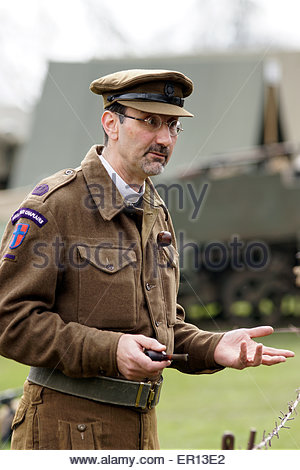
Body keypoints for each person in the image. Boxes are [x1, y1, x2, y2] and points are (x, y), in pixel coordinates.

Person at [0, 69, 294, 450]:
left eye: (173, 126)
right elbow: (9, 319)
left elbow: (160, 325)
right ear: (111, 123)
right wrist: (111, 350)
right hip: (65, 435)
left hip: (140, 434)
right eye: (150, 122)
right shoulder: (55, 205)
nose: (165, 138)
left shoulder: (153, 207)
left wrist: (213, 346)